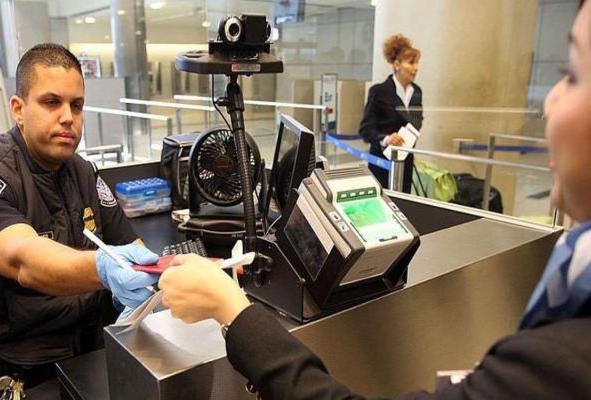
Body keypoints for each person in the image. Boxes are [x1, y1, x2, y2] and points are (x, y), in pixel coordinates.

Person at [159, 2, 591, 397]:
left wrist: (232, 309)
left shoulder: (561, 361)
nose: (550, 102)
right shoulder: (572, 278)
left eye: (572, 73)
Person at [0, 43, 159, 398]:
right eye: (51, 102)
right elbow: (25, 259)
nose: (67, 117)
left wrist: (153, 275)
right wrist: (105, 268)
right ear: (18, 109)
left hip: (86, 354)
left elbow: (132, 246)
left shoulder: (83, 173)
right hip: (16, 374)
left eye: (76, 105)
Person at [358, 34, 423, 193]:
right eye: (411, 62)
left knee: (403, 200)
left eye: (417, 62)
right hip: (381, 162)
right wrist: (386, 139)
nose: (416, 68)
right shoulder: (379, 91)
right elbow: (366, 129)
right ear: (397, 64)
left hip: (405, 161)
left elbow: (417, 120)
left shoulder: (417, 92)